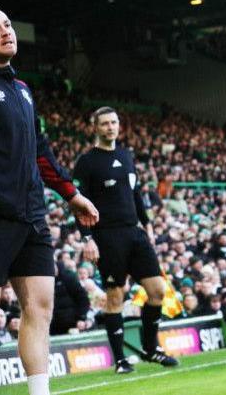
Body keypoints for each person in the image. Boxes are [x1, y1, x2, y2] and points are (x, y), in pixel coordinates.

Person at [0, 7, 99, 395]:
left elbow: (40, 151)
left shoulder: (22, 89)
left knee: (39, 308)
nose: (5, 31)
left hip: (32, 216)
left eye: (7, 24)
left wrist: (71, 195)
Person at [72, 106, 179, 374]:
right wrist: (87, 238)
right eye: (105, 123)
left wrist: (148, 224)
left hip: (135, 232)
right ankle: (120, 360)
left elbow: (135, 193)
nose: (111, 127)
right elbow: (77, 204)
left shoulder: (126, 155)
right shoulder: (87, 162)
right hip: (107, 235)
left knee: (157, 290)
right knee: (115, 296)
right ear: (95, 127)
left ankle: (151, 349)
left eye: (114, 122)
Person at [50, 262, 90, 335]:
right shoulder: (44, 281)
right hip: (52, 325)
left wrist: (81, 318)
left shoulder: (69, 277)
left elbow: (83, 299)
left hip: (72, 323)